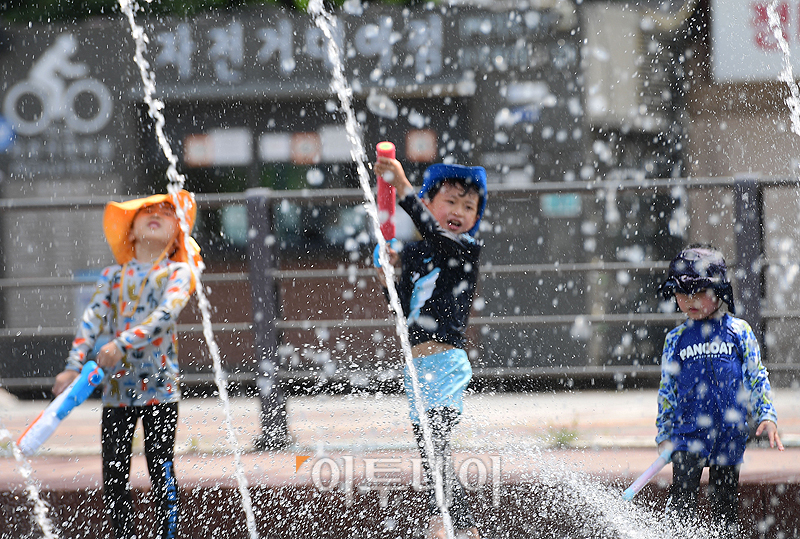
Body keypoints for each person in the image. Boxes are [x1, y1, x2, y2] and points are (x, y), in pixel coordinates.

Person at [52, 191, 200, 539]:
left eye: (166, 213)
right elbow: (91, 318)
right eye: (146, 212)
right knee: (114, 472)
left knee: (161, 467)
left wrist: (120, 343)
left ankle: (169, 532)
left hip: (160, 391)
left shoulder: (178, 273)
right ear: (130, 231)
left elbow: (164, 316)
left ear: (176, 231)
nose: (156, 215)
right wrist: (74, 364)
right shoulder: (113, 276)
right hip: (116, 392)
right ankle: (124, 534)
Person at [373, 156, 487, 539]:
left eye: (468, 207)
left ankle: (453, 528)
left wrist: (402, 188)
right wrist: (388, 274)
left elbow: (436, 235)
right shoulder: (415, 253)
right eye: (450, 202)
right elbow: (404, 312)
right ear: (431, 202)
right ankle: (449, 526)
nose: (458, 212)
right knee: (432, 454)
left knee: (435, 449)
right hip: (417, 369)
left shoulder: (466, 249)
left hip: (446, 363)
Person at [656, 245, 783, 537]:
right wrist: (664, 434)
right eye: (682, 293)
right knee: (681, 504)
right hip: (687, 436)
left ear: (720, 292)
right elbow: (667, 391)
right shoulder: (676, 339)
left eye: (699, 292)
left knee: (724, 506)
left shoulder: (739, 332)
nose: (690, 301)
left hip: (728, 434)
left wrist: (767, 414)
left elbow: (756, 376)